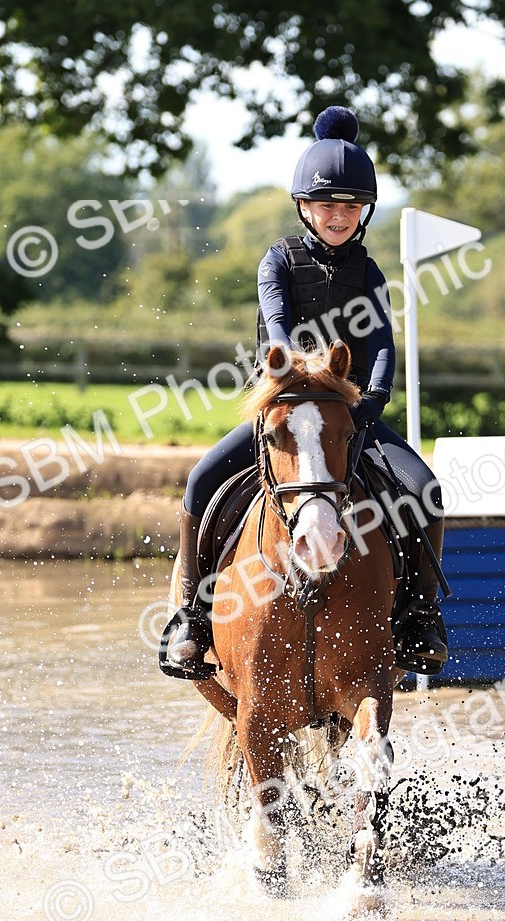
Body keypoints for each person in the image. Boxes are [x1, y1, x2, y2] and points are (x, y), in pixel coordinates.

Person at [165, 106, 448, 678]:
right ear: (305, 208)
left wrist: (375, 396)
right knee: (200, 480)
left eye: (350, 207)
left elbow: (384, 341)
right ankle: (192, 617)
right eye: (327, 206)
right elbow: (276, 323)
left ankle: (419, 616)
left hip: (353, 419)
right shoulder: (279, 259)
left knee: (426, 490)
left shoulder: (368, 271)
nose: (339, 216)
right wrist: (288, 370)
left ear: (363, 213)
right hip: (288, 414)